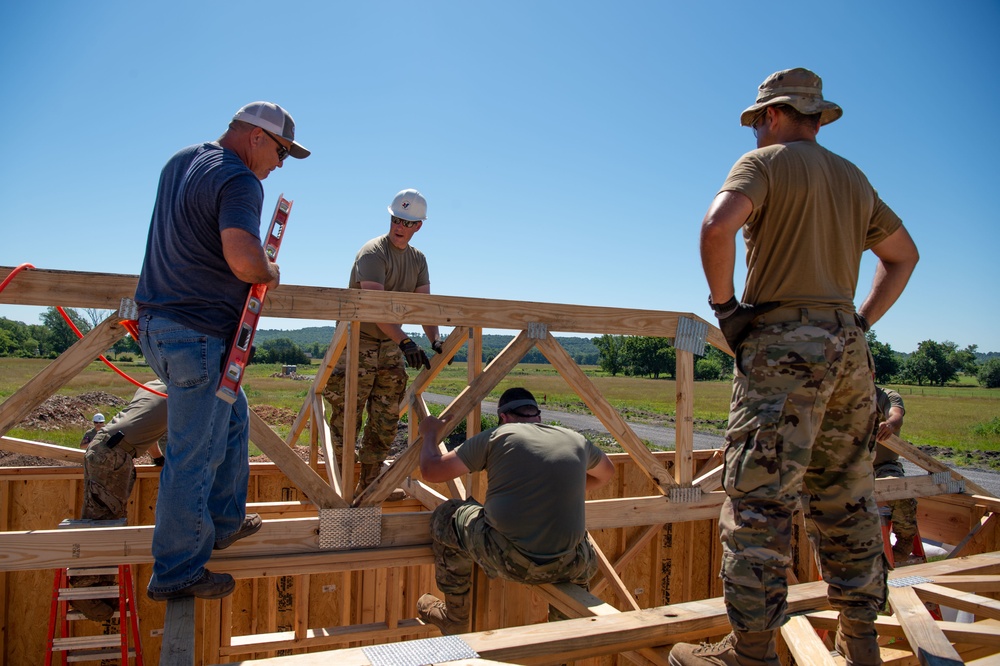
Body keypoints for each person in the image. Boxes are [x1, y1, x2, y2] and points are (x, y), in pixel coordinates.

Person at [669, 68, 919, 666]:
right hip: (848, 351)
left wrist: (725, 307)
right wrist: (858, 322)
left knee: (760, 500)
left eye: (758, 121)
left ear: (774, 115)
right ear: (816, 116)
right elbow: (903, 256)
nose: (757, 131)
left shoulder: (766, 163)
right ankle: (860, 641)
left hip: (781, 344)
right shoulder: (853, 178)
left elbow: (716, 227)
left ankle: (750, 653)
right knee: (847, 494)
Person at [133, 101, 310, 602]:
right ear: (256, 136)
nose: (279, 164)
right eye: (280, 152)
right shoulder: (239, 180)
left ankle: (224, 521)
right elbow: (245, 261)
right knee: (194, 455)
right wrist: (270, 270)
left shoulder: (180, 161)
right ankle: (178, 569)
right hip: (199, 335)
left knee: (233, 420)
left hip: (159, 324)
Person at [415, 388, 615, 635]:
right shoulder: (575, 439)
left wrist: (429, 433)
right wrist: (558, 490)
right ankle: (566, 632)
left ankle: (455, 616)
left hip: (507, 560)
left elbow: (432, 471)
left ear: (503, 417)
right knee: (581, 540)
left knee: (447, 514)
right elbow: (607, 474)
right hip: (568, 564)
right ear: (538, 418)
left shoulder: (498, 435)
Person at [323, 188, 445, 499]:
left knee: (386, 418)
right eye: (396, 219)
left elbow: (424, 306)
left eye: (407, 222)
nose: (399, 227)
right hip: (355, 341)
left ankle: (371, 488)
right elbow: (375, 309)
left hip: (390, 345)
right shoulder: (373, 252)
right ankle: (340, 491)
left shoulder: (418, 260)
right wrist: (406, 342)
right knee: (346, 418)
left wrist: (436, 340)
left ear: (418, 226)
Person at [70, 380, 168, 621]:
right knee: (103, 522)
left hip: (103, 448)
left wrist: (158, 460)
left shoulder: (152, 386)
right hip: (114, 456)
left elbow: (151, 430)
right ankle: (86, 593)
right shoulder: (182, 388)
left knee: (101, 517)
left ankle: (98, 587)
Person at [871, 386, 917, 563]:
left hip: (883, 466)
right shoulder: (842, 397)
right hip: (851, 467)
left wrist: (889, 424)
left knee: (899, 489)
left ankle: (904, 543)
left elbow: (896, 415)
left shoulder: (885, 396)